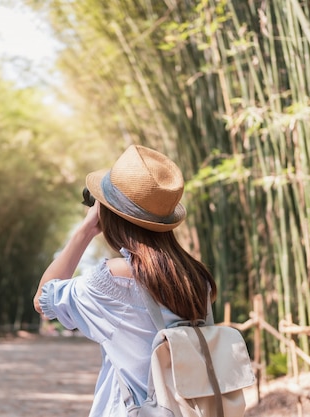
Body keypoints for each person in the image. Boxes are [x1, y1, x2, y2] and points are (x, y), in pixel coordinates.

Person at [33, 144, 217, 417]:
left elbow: (44, 299)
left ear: (110, 214)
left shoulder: (110, 281)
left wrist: (84, 231)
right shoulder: (197, 279)